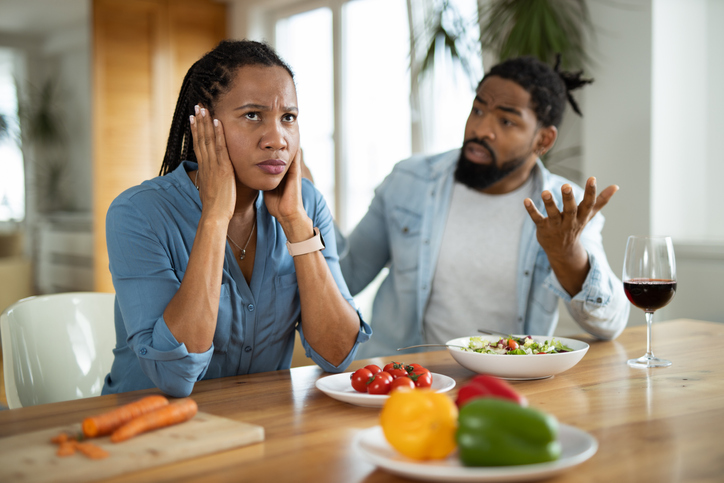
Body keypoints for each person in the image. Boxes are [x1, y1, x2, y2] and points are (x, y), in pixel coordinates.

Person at [102, 40, 370, 397]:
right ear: (203, 122)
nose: (277, 139)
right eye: (253, 115)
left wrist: (294, 223)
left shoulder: (306, 206)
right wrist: (214, 216)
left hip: (260, 426)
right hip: (148, 430)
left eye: (288, 117)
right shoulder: (137, 214)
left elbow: (337, 355)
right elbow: (174, 376)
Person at [332, 56, 629, 358]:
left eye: (506, 121)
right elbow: (347, 274)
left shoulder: (566, 211)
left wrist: (568, 256)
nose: (481, 128)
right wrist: (307, 205)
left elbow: (611, 324)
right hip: (405, 380)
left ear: (544, 138)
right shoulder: (409, 180)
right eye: (478, 109)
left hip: (504, 386)